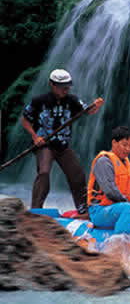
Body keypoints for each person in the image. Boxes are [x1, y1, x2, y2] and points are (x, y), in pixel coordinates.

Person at [21, 69, 104, 218]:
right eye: (62, 86)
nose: (66, 89)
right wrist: (35, 137)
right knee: (44, 172)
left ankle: (82, 209)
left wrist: (95, 106)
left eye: (68, 86)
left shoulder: (72, 100)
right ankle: (36, 210)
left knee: (77, 174)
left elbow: (87, 111)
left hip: (63, 146)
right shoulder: (39, 101)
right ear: (52, 85)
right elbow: (25, 120)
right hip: (45, 145)